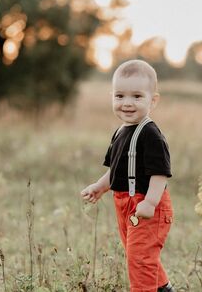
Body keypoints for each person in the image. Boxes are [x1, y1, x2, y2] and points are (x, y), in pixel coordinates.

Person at [80, 59, 174, 292]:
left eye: (137, 97)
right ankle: (164, 288)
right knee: (137, 252)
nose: (127, 103)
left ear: (153, 100)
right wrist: (100, 187)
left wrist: (150, 202)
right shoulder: (121, 131)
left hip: (146, 203)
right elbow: (116, 169)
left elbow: (160, 174)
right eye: (120, 96)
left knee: (140, 257)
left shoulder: (151, 134)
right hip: (124, 203)